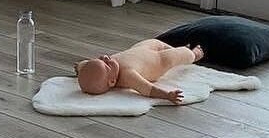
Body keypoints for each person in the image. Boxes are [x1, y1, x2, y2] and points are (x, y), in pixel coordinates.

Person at [74, 39, 205, 103]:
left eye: (100, 59)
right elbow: (148, 89)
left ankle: (173, 48)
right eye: (106, 64)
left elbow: (86, 66)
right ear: (112, 81)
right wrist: (167, 95)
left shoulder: (100, 69)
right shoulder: (128, 76)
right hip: (158, 61)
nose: (105, 57)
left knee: (155, 42)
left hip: (138, 50)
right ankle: (193, 54)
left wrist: (80, 66)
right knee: (176, 56)